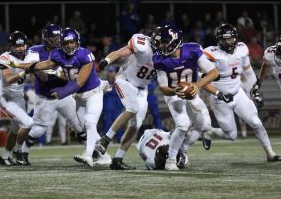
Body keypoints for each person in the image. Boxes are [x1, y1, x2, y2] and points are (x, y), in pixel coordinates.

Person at [9, 28, 110, 167]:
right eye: (55, 38)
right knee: (39, 129)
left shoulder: (84, 55)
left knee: (83, 125)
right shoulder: (47, 52)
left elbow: (79, 81)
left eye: (60, 38)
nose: (58, 41)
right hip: (47, 96)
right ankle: (21, 152)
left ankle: (94, 154)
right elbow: (38, 65)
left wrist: (61, 88)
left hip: (71, 93)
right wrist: (18, 65)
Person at [203, 24, 281, 162]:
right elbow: (203, 81)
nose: (228, 42)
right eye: (224, 39)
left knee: (256, 122)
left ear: (236, 38)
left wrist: (254, 91)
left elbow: (248, 71)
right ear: (218, 40)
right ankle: (210, 131)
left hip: (238, 93)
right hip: (220, 99)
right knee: (231, 135)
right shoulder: (211, 54)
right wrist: (218, 93)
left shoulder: (242, 49)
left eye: (230, 39)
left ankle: (270, 153)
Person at [151, 25, 219, 170]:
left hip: (192, 92)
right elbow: (163, 87)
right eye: (161, 42)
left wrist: (197, 85)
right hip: (173, 94)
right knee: (182, 125)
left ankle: (183, 149)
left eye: (164, 41)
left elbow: (213, 72)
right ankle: (171, 159)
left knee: (205, 125)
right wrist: (176, 91)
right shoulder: (159, 59)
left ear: (175, 41)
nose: (161, 45)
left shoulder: (192, 50)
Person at [95, 31, 156, 170]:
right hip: (125, 81)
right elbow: (119, 53)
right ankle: (105, 139)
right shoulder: (142, 45)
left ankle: (118, 159)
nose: (165, 47)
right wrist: (107, 60)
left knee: (136, 124)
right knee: (133, 108)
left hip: (142, 89)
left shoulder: (168, 55)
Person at [0, 31, 37, 166]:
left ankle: (4, 157)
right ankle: (18, 151)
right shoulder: (5, 57)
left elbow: (36, 69)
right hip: (6, 97)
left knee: (15, 130)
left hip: (19, 97)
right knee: (28, 123)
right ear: (11, 46)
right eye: (17, 45)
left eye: (22, 45)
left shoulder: (32, 55)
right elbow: (8, 79)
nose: (20, 48)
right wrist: (24, 71)